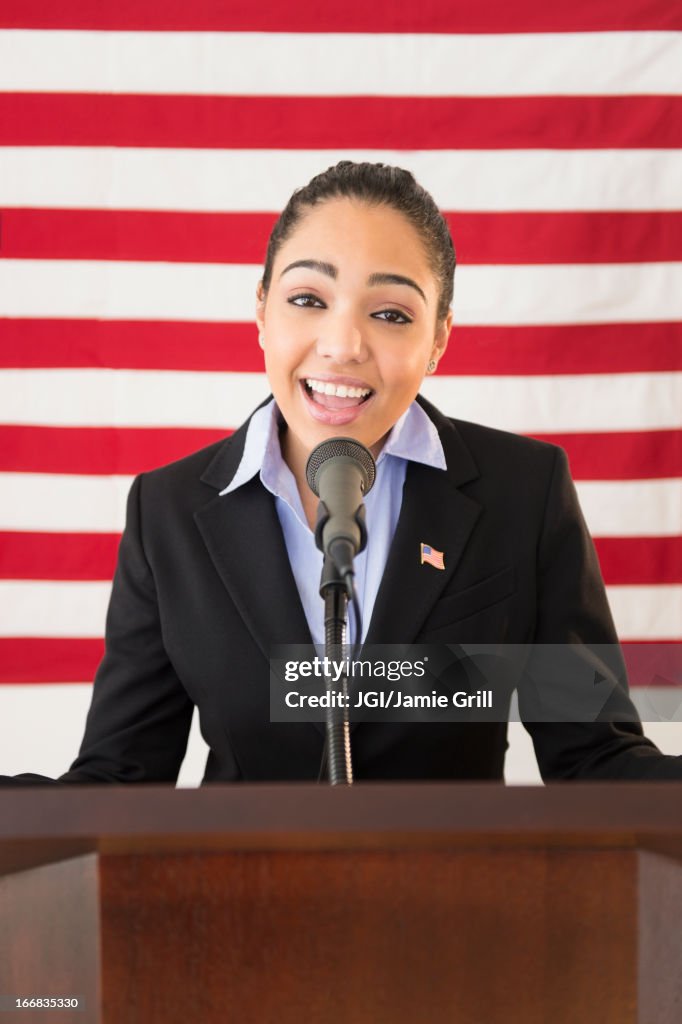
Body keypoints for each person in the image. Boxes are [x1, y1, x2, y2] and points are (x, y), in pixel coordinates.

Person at [1, 160, 680, 785]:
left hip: (459, 909)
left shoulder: (522, 495)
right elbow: (119, 783)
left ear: (439, 338)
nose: (343, 345)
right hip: (242, 908)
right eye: (307, 299)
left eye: (390, 313)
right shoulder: (168, 513)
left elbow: (595, 755)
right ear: (261, 310)